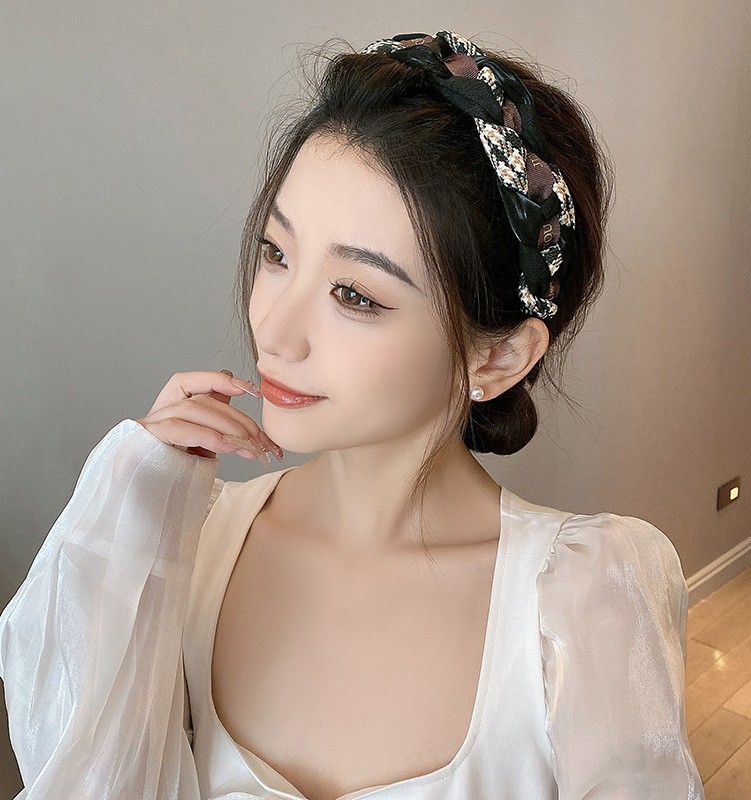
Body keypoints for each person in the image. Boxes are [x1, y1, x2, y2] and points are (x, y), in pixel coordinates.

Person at [0, 29, 705, 800]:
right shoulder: (195, 545)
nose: (275, 331)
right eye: (277, 253)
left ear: (498, 358)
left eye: (355, 295)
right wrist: (130, 511)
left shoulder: (584, 601)